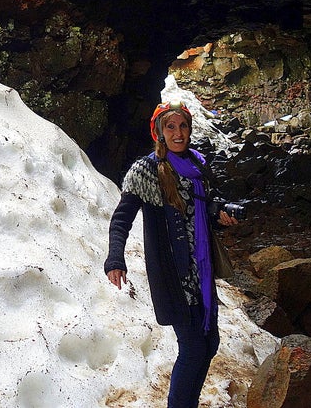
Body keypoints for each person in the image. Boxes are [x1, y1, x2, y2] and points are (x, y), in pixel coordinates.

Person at [104, 100, 238, 408]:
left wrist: (221, 214)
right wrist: (115, 258)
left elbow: (204, 208)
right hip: (173, 274)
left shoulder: (198, 165)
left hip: (199, 271)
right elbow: (121, 218)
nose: (178, 133)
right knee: (193, 347)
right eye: (170, 127)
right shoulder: (147, 171)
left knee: (209, 343)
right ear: (159, 133)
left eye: (183, 126)